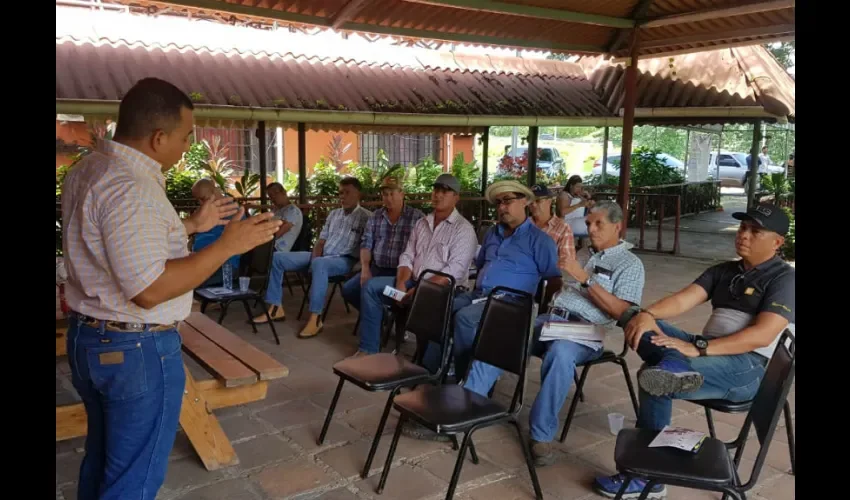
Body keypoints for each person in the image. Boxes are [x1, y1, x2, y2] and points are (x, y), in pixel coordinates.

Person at [61, 77, 281, 500]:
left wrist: (193, 226)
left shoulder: (92, 169)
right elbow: (149, 289)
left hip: (92, 339)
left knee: (103, 461)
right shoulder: (131, 187)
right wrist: (228, 246)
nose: (187, 147)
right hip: (135, 350)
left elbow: (121, 245)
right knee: (133, 482)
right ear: (158, 137)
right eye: (184, 137)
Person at [593, 203, 795, 499]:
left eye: (755, 231)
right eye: (742, 227)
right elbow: (682, 301)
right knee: (633, 317)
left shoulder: (784, 279)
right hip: (706, 352)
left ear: (777, 242)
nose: (743, 235)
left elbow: (760, 336)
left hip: (746, 368)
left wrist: (699, 348)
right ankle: (675, 361)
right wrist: (647, 314)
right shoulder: (726, 270)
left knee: (655, 379)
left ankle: (647, 477)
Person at [464, 200, 645, 466]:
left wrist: (584, 278)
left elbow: (623, 312)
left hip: (586, 332)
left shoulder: (630, 264)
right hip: (552, 319)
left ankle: (541, 434)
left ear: (617, 227)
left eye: (599, 224)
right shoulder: (584, 255)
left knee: (560, 352)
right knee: (503, 332)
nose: (591, 230)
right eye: (588, 224)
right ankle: (465, 404)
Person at [403, 180, 561, 440]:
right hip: (479, 296)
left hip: (511, 304)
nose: (502, 206)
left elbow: (553, 280)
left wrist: (537, 314)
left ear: (526, 202)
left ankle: (464, 388)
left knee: (464, 319)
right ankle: (433, 380)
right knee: (437, 308)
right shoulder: (492, 233)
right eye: (499, 202)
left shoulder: (540, 241)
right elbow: (480, 264)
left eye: (508, 200)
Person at [354, 174, 476, 357]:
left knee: (429, 308)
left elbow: (454, 270)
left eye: (445, 191)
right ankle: (368, 349)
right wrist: (401, 284)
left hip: (441, 292)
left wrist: (421, 289)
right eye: (436, 190)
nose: (438, 195)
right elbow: (407, 255)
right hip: (409, 286)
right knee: (372, 288)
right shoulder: (422, 223)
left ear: (456, 197)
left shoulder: (463, 229)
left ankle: (427, 362)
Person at [253, 177, 371, 338]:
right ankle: (275, 307)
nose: (342, 196)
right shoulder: (334, 214)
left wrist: (362, 267)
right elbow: (320, 241)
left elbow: (367, 247)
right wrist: (315, 258)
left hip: (344, 260)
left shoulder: (368, 217)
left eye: (347, 192)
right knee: (278, 258)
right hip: (322, 256)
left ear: (359, 194)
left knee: (320, 265)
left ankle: (316, 318)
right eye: (341, 193)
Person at [190, 178, 241, 287]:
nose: (200, 203)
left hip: (223, 265)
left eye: (203, 198)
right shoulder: (208, 210)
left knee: (184, 284)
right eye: (197, 200)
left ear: (214, 192)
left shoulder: (232, 211)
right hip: (201, 261)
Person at [530, 183, 575, 270]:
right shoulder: (523, 224)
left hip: (548, 277)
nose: (534, 205)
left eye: (538, 200)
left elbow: (567, 264)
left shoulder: (563, 228)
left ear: (549, 201)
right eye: (531, 202)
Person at [267, 182, 303, 253]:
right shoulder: (275, 210)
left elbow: (281, 231)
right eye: (270, 196)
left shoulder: (293, 210)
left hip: (277, 249)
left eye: (276, 193)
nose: (273, 197)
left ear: (284, 192)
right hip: (269, 246)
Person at [557, 175, 594, 243]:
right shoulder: (564, 195)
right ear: (571, 186)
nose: (579, 189)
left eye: (581, 187)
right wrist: (579, 205)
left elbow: (588, 206)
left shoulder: (577, 195)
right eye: (577, 187)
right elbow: (562, 212)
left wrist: (588, 198)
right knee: (592, 229)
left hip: (574, 222)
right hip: (565, 224)